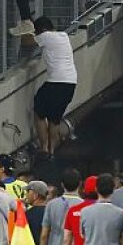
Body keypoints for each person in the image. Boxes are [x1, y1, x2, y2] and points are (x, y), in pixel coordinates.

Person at [32, 16, 75, 156]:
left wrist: (27, 33)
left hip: (56, 81)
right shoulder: (63, 35)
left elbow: (28, 42)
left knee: (39, 112)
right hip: (71, 82)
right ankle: (52, 152)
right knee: (54, 119)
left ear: (41, 30)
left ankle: (44, 148)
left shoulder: (45, 36)